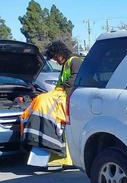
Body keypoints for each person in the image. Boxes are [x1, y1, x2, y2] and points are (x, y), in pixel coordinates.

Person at [20, 40, 83, 169]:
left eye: (55, 57)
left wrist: (59, 91)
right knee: (40, 99)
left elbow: (75, 79)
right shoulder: (66, 63)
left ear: (60, 52)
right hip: (60, 94)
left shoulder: (74, 61)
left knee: (43, 101)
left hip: (67, 96)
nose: (55, 60)